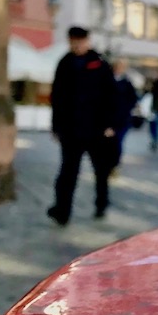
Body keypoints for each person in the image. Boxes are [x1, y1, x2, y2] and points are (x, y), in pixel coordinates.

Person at [47, 26, 117, 225]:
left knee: (101, 171)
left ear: (87, 41)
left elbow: (111, 96)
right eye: (73, 42)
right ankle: (62, 211)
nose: (77, 46)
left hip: (97, 129)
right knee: (68, 172)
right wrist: (56, 126)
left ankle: (101, 204)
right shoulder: (64, 63)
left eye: (80, 42)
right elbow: (57, 97)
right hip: (71, 130)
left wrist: (110, 124)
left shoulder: (100, 63)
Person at [111, 59, 139, 171]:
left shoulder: (127, 83)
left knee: (118, 142)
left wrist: (126, 110)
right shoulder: (107, 80)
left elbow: (133, 99)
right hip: (109, 119)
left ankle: (115, 164)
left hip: (122, 119)